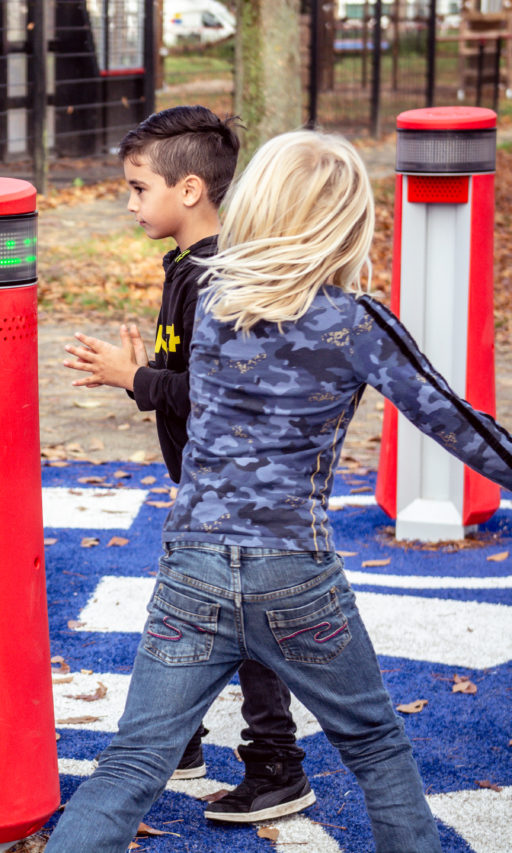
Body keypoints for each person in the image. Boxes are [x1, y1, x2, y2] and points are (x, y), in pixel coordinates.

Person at [46, 129, 512, 853]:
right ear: (346, 219)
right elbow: (451, 421)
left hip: (192, 564)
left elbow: (208, 404)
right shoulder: (354, 323)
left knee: (133, 760)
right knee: (376, 746)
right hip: (295, 567)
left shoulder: (217, 305)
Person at [63, 105, 315, 822]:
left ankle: (276, 764)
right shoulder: (188, 266)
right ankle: (180, 736)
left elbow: (219, 396)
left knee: (250, 627)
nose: (131, 201)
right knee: (189, 612)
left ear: (191, 190)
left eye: (140, 188)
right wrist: (148, 371)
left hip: (239, 496)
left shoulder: (220, 280)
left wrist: (133, 379)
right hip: (206, 489)